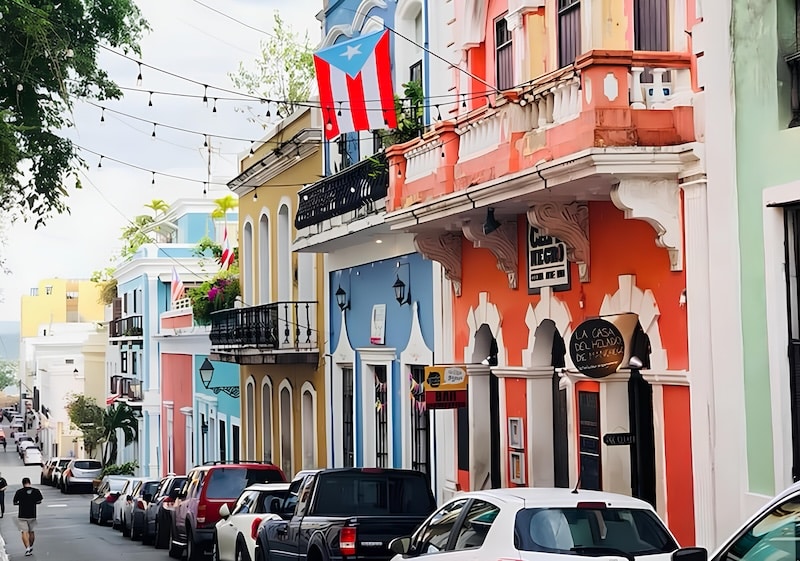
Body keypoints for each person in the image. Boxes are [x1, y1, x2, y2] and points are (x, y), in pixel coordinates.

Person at [13, 477, 43, 557]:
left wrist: (21, 503)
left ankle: (27, 548)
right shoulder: (36, 491)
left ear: (23, 484)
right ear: (30, 482)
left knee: (24, 532)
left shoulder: (19, 492)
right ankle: (30, 545)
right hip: (32, 514)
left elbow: (15, 502)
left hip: (22, 515)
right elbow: (39, 500)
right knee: (31, 532)